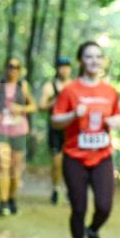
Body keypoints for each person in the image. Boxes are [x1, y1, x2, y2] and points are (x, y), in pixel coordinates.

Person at [50, 42, 120, 238]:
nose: (93, 61)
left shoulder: (110, 91)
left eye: (97, 57)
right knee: (78, 208)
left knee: (104, 206)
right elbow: (55, 120)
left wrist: (115, 122)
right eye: (88, 57)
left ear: (102, 61)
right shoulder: (70, 90)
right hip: (74, 156)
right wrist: (72, 114)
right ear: (80, 61)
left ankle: (93, 231)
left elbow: (118, 117)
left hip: (102, 156)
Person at [0, 56, 36, 216]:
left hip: (18, 130)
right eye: (10, 66)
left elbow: (33, 106)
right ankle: (2, 203)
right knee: (3, 164)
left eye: (16, 67)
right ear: (5, 68)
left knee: (15, 168)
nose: (13, 70)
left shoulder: (23, 86)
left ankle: (12, 198)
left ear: (20, 70)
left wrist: (20, 108)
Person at [38, 57, 74, 205]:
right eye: (61, 67)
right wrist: (56, 100)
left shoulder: (75, 85)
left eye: (67, 67)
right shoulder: (49, 86)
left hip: (72, 128)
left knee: (71, 162)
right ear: (57, 69)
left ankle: (71, 189)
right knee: (57, 161)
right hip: (55, 128)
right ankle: (56, 188)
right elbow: (41, 106)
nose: (64, 70)